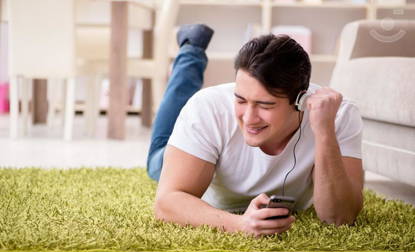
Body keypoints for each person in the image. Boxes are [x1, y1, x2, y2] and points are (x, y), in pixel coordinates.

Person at [147, 24, 364, 237]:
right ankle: (190, 49)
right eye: (240, 100)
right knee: (158, 158)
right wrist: (240, 224)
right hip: (202, 157)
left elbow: (340, 218)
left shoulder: (338, 115)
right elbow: (167, 203)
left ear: (301, 100)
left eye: (265, 105)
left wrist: (324, 130)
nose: (249, 118)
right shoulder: (208, 107)